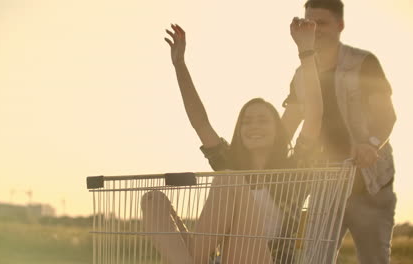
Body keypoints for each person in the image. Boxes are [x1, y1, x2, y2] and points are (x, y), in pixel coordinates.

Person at [141, 20, 322, 264]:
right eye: (247, 121)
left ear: (277, 130)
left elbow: (314, 115)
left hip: (267, 259)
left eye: (262, 121)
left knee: (229, 178)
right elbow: (200, 122)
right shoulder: (231, 161)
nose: (254, 127)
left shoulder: (293, 172)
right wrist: (179, 64)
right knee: (152, 200)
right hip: (224, 258)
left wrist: (306, 51)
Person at [281, 1, 397, 263]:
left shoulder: (363, 62)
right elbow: (286, 126)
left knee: (374, 259)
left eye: (321, 23)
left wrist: (371, 144)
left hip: (370, 183)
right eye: (308, 22)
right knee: (314, 258)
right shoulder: (302, 74)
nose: (314, 29)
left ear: (340, 25)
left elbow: (386, 114)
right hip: (325, 184)